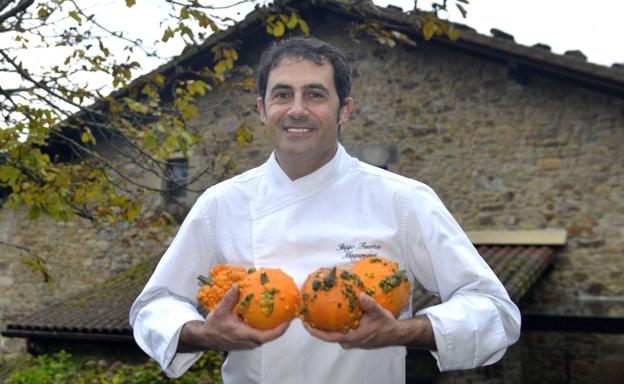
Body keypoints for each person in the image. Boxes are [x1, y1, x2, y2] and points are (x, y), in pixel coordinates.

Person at [130, 36, 521, 383]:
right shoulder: (222, 203)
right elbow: (155, 305)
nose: (296, 109)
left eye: (315, 95)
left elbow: (494, 312)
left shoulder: (402, 199)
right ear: (263, 109)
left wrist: (406, 331)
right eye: (282, 95)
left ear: (344, 109)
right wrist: (200, 333)